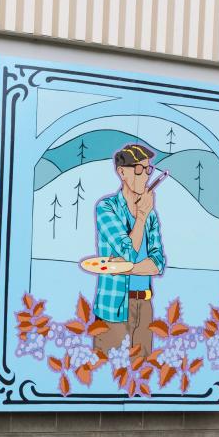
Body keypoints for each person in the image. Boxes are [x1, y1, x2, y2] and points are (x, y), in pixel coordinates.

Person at [92, 143, 166, 356]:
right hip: (113, 307)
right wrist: (140, 217)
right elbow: (127, 253)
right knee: (108, 372)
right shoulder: (107, 208)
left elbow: (158, 263)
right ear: (122, 172)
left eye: (148, 169)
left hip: (144, 307)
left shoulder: (150, 214)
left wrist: (122, 268)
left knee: (142, 376)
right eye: (139, 169)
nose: (145, 176)